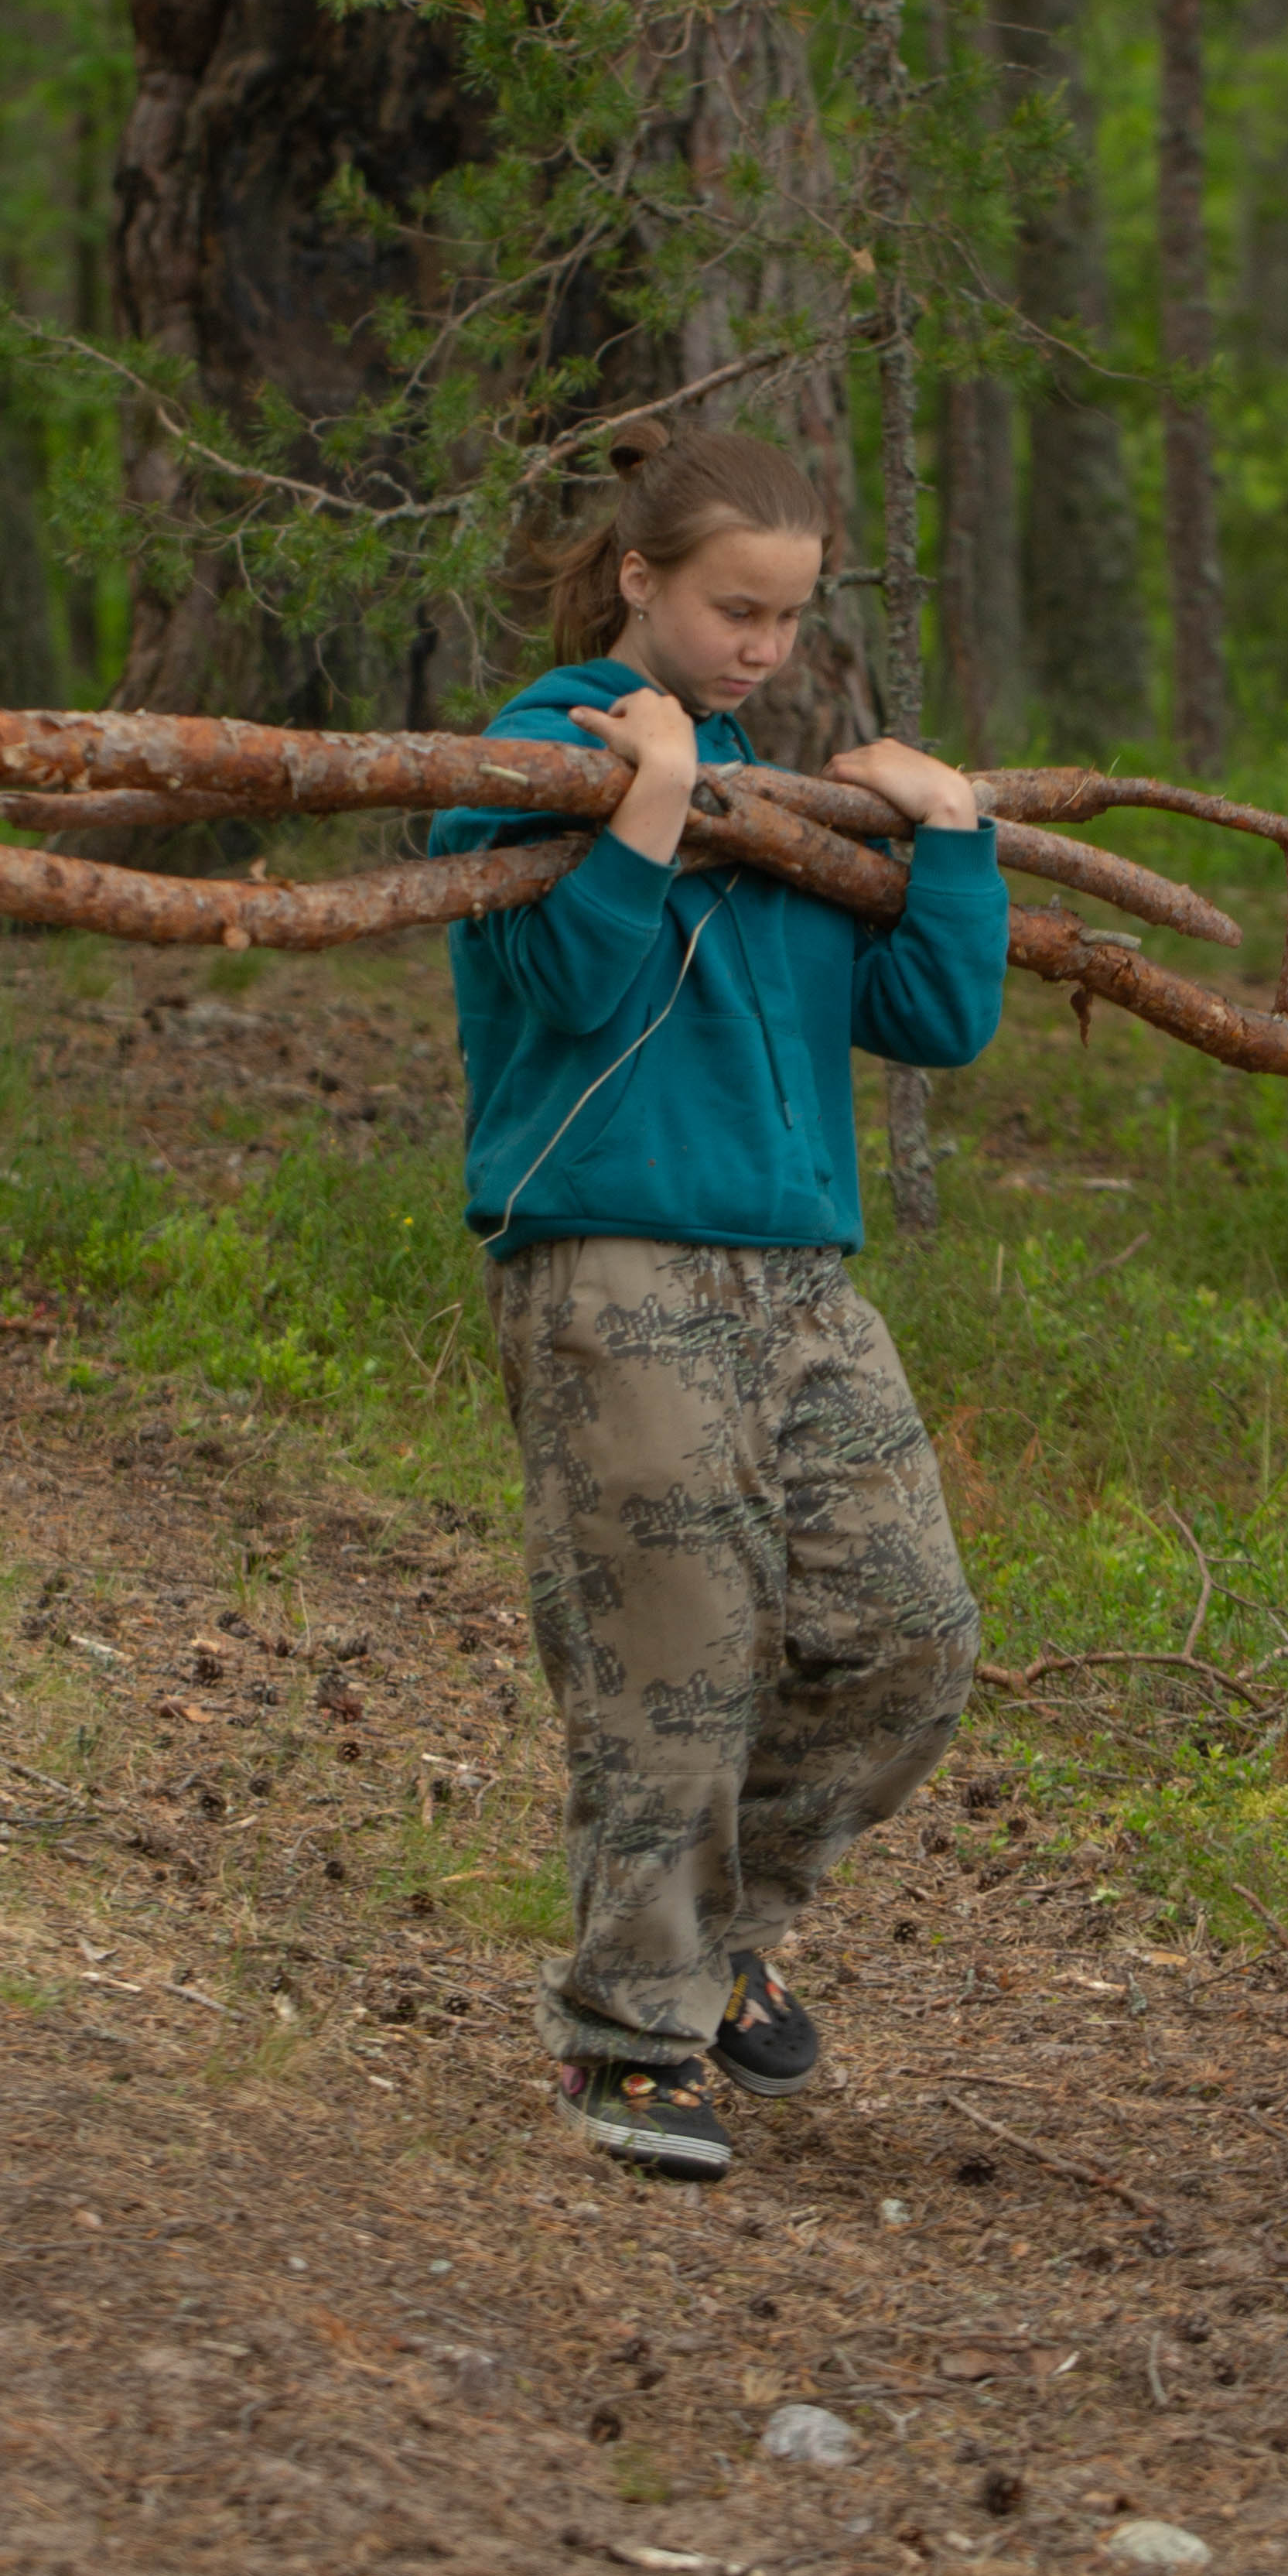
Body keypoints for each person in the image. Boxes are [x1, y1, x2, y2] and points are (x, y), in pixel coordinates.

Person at [427, 420, 1009, 2181]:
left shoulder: (784, 792)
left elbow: (931, 1017)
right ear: (637, 582)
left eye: (785, 615)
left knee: (909, 1632)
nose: (760, 645)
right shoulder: (532, 756)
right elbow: (567, 983)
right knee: (672, 1659)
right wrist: (649, 803)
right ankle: (630, 2034)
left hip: (795, 1272)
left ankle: (719, 1935)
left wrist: (953, 839)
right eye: (728, 608)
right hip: (610, 1256)